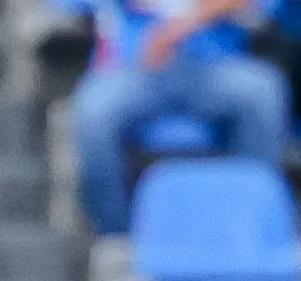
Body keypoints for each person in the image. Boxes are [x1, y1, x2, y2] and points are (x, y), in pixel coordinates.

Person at [71, 0, 288, 238]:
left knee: (262, 92)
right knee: (94, 111)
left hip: (214, 64)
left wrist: (184, 23)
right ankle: (116, 237)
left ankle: (248, 230)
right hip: (135, 67)